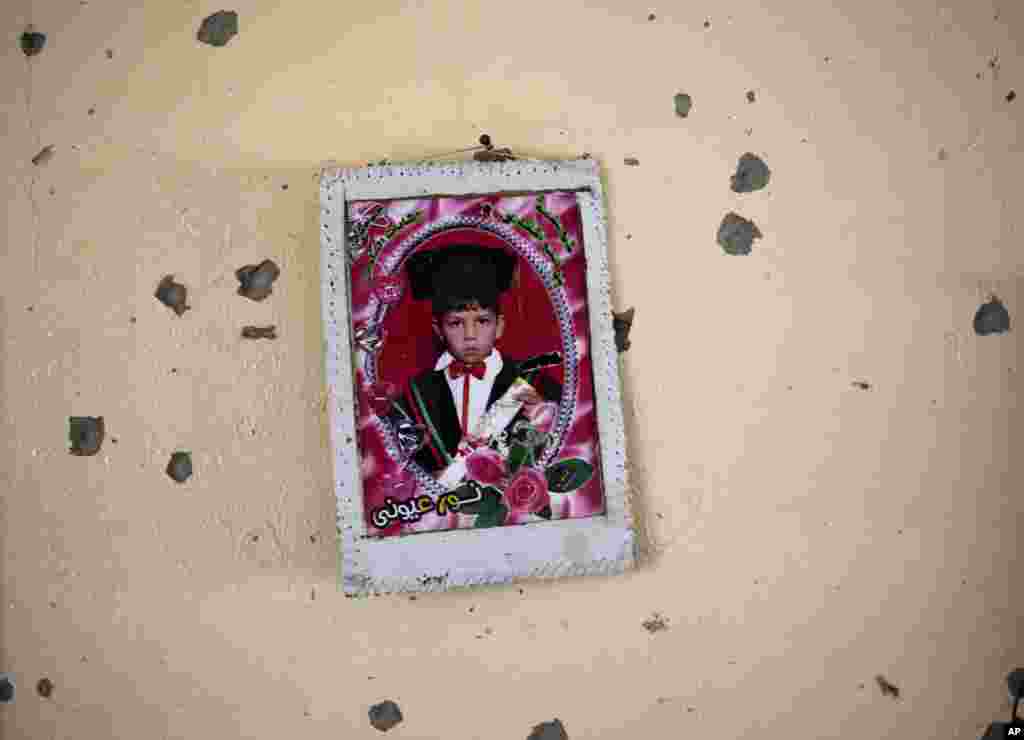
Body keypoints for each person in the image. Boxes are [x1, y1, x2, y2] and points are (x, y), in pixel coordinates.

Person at [383, 243, 562, 477]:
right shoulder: (413, 397)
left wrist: (541, 422)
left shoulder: (537, 386)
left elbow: (564, 453)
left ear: (499, 326)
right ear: (439, 329)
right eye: (456, 323)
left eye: (482, 321)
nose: (470, 334)